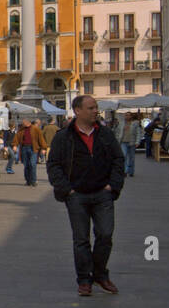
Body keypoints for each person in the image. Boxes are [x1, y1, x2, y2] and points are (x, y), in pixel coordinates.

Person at [46, 95, 125, 296]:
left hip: (102, 193)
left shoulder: (105, 134)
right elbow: (53, 164)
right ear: (77, 111)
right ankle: (84, 279)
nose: (95, 111)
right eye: (90, 108)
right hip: (76, 195)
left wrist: (113, 186)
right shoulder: (64, 136)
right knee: (81, 239)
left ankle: (100, 274)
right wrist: (67, 190)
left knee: (105, 235)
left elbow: (118, 159)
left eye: (96, 107)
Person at [114, 110, 143, 179]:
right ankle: (125, 171)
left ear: (131, 116)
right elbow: (117, 132)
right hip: (123, 142)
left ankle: (131, 171)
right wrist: (117, 141)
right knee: (124, 156)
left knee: (131, 158)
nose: (127, 116)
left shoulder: (135, 124)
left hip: (132, 142)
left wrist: (137, 142)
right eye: (126, 115)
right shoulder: (121, 124)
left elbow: (138, 133)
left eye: (128, 115)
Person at [16, 119, 38, 187]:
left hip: (33, 148)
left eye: (23, 123)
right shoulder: (21, 130)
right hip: (24, 148)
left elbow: (40, 137)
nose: (22, 124)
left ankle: (33, 181)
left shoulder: (35, 129)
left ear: (28, 123)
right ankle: (28, 181)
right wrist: (14, 145)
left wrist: (43, 148)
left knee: (32, 164)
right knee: (26, 165)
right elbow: (17, 137)